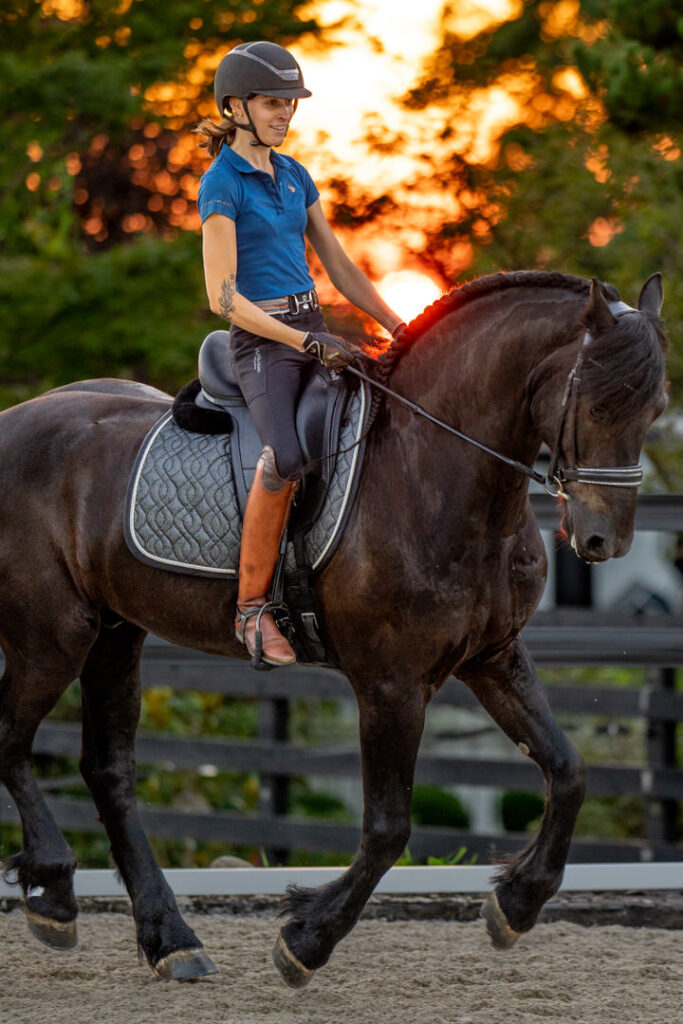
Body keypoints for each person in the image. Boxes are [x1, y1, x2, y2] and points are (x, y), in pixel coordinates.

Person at [194, 40, 405, 667]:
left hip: (313, 326)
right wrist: (303, 340)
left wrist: (401, 325)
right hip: (263, 344)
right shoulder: (220, 184)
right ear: (236, 106)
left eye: (289, 104)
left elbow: (338, 266)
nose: (284, 114)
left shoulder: (294, 174)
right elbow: (223, 298)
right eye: (271, 103)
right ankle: (252, 610)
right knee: (284, 457)